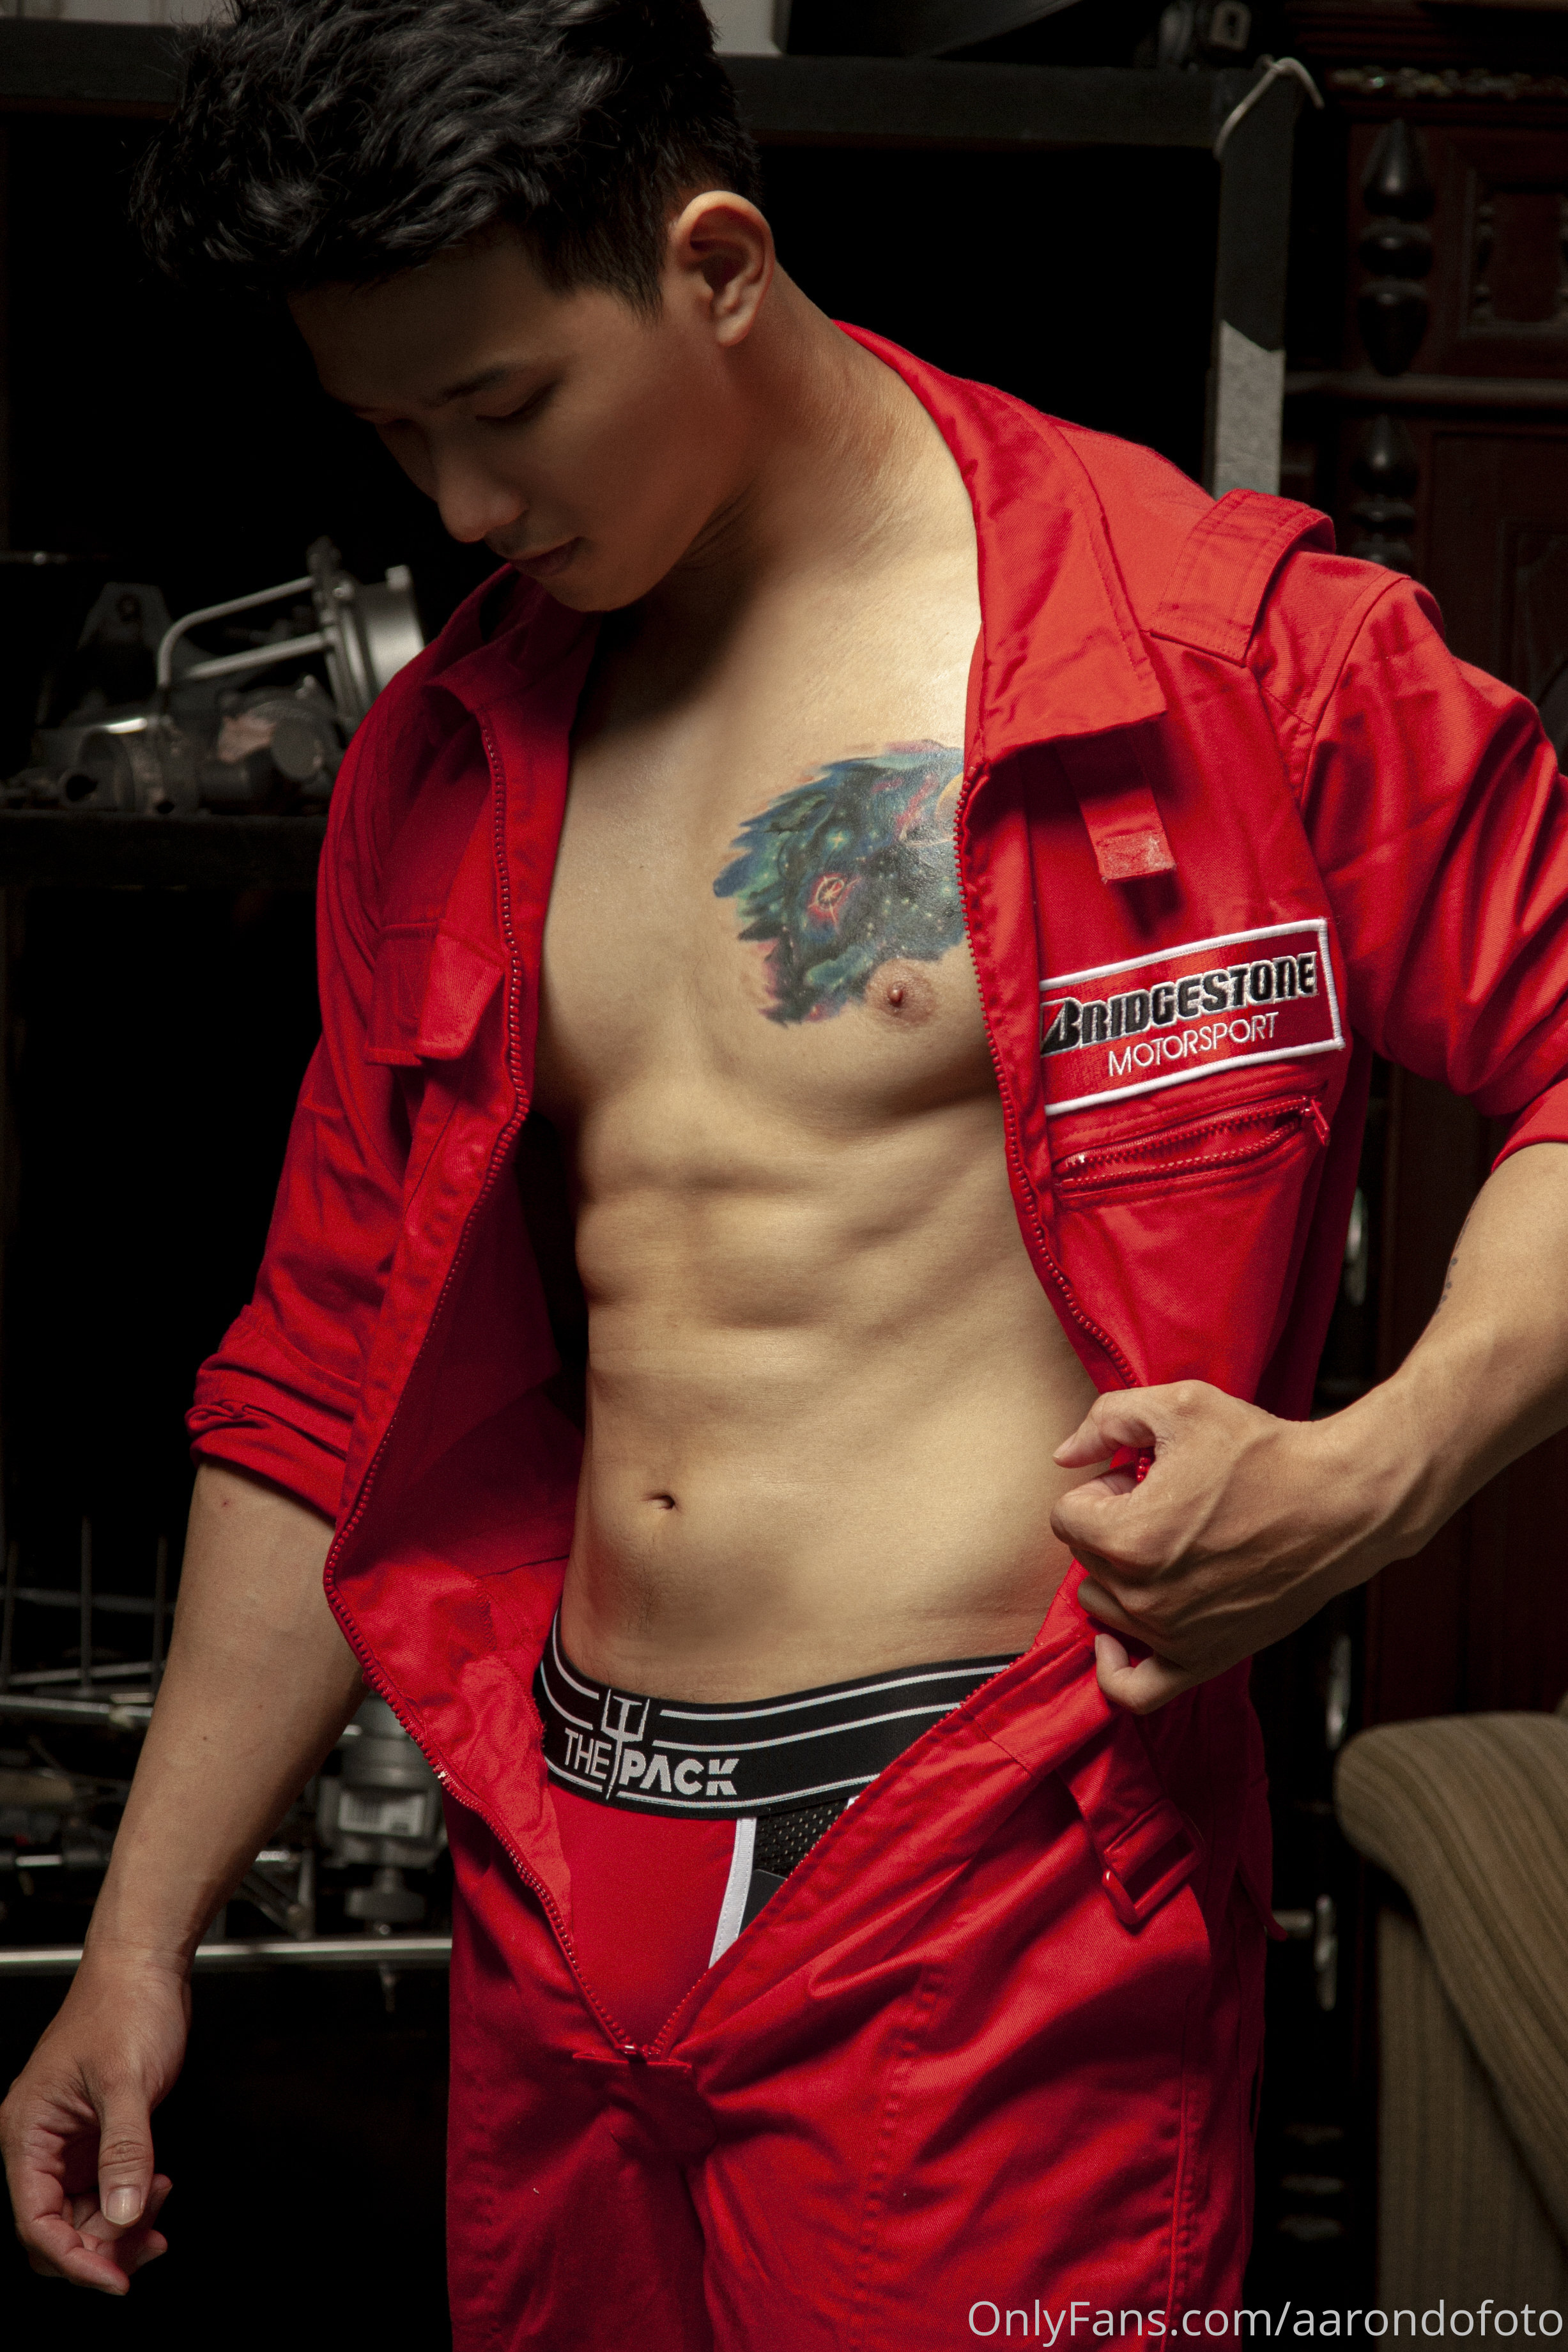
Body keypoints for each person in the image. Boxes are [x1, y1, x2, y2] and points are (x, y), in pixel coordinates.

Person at [5, 1, 1568, 2340]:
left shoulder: (1230, 656)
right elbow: (328, 1367)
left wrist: (1378, 1471)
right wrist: (136, 1939)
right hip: (562, 1878)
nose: (458, 508)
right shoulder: (449, 755)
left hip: (988, 1885)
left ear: (718, 265)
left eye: (504, 405)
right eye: (395, 433)